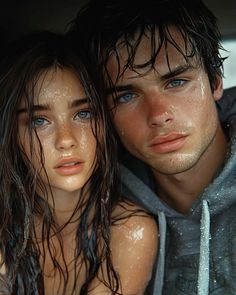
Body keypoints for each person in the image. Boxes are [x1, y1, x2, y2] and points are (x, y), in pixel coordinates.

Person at [67, 0, 236, 294]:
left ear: (215, 81)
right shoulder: (97, 211)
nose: (158, 115)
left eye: (176, 82)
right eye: (127, 96)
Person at [0, 31, 158, 295]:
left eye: (83, 114)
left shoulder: (130, 231)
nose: (66, 140)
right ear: (11, 133)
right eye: (40, 121)